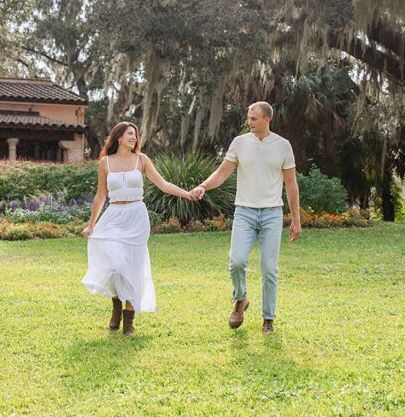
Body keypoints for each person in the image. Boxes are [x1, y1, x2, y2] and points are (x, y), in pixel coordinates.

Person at [190, 102, 300, 334]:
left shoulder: (283, 146)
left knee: (269, 268)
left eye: (254, 118)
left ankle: (268, 318)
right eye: (249, 118)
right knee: (237, 261)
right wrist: (203, 186)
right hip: (244, 212)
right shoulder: (239, 143)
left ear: (267, 119)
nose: (249, 122)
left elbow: (291, 183)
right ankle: (240, 300)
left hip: (271, 214)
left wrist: (296, 219)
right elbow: (222, 173)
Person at [81, 121, 193, 335]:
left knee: (132, 267)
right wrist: (91, 224)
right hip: (113, 215)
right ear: (119, 137)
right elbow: (101, 195)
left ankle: (129, 321)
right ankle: (116, 304)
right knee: (114, 265)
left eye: (135, 134)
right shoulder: (105, 162)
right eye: (129, 134)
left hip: (136, 217)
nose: (134, 137)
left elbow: (163, 184)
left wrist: (186, 194)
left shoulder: (142, 160)